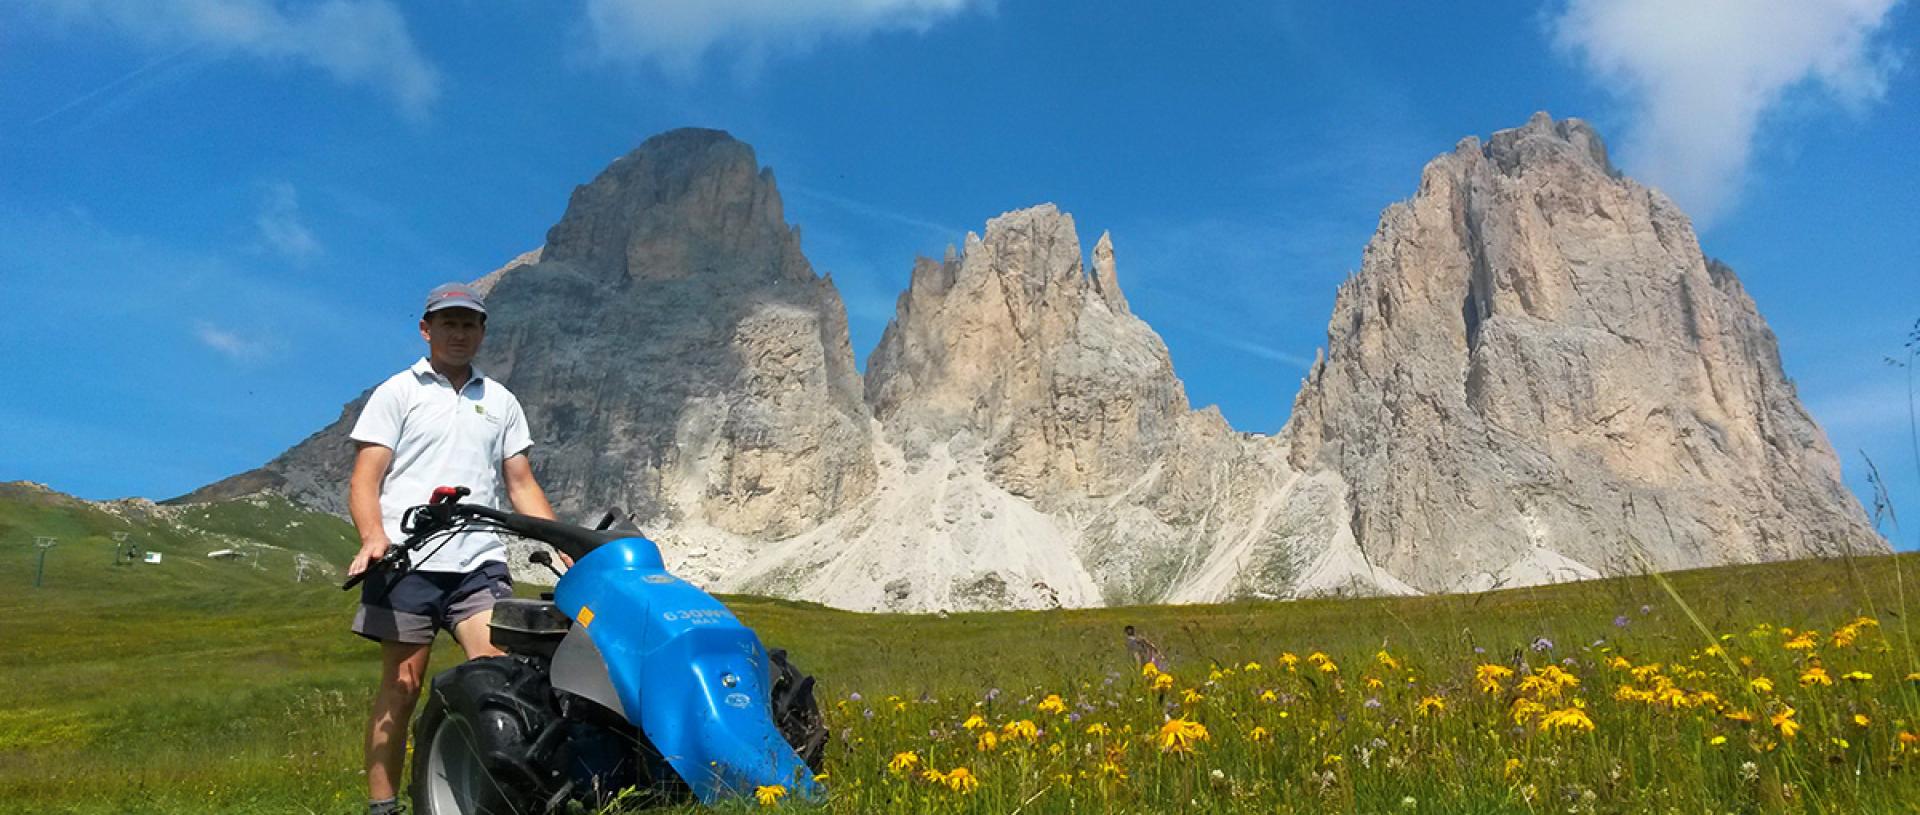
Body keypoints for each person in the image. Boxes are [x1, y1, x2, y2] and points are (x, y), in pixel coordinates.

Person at [346, 282, 557, 815]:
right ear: (427, 330)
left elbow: (521, 482)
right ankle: (384, 806)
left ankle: (489, 797)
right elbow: (365, 479)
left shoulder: (501, 400)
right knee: (403, 685)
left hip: (477, 562)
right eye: (448, 324)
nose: (458, 333)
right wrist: (374, 537)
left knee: (496, 674)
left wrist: (559, 545)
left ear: (482, 333)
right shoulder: (398, 391)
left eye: (469, 324)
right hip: (406, 560)